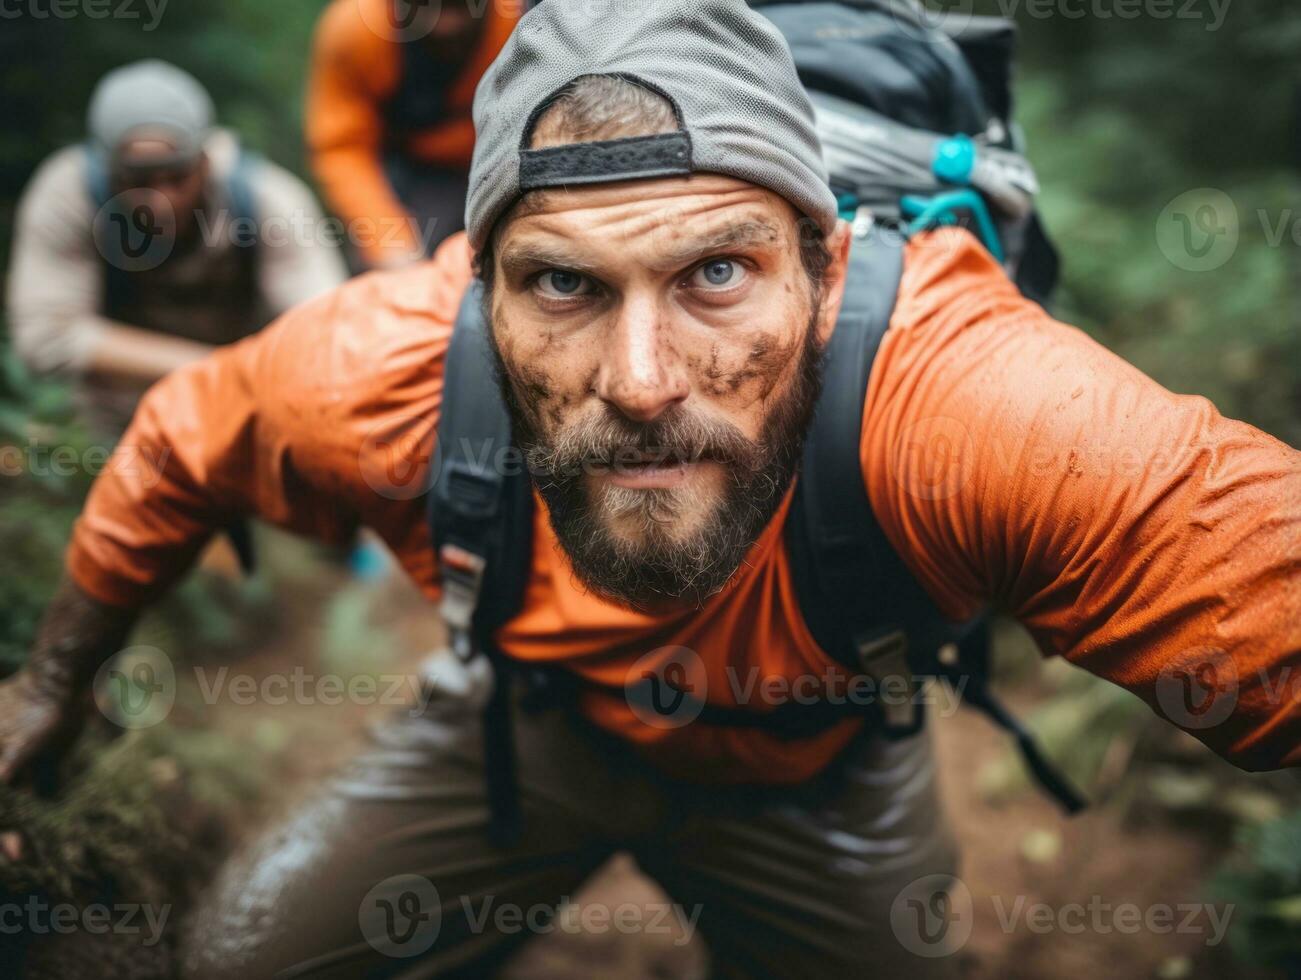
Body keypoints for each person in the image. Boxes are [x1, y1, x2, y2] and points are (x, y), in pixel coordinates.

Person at [1, 2, 1297, 976]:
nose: (639, 383)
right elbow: (178, 442)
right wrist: (50, 686)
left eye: (717, 274)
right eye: (562, 284)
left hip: (821, 768)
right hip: (519, 724)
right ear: (477, 289)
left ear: (826, 269)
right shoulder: (380, 369)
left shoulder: (957, 401)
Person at [6, 59, 347, 439]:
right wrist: (218, 368)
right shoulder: (70, 196)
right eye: (139, 179)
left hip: (247, 417)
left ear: (205, 160)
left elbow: (326, 330)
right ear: (108, 169)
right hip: (120, 426)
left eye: (177, 176)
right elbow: (44, 337)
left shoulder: (269, 202)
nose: (159, 201)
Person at [305, 0, 519, 269]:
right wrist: (388, 243)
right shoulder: (356, 30)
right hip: (407, 177)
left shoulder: (528, 21)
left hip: (508, 163)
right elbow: (343, 149)